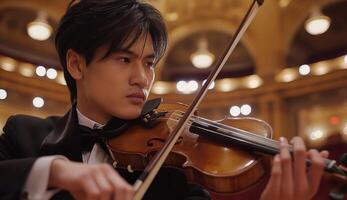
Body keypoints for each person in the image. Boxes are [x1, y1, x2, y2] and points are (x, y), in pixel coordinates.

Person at [0, 0, 328, 199]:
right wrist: (55, 172)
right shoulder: (23, 136)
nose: (143, 79)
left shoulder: (169, 170)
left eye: (149, 63)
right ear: (77, 64)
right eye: (124, 60)